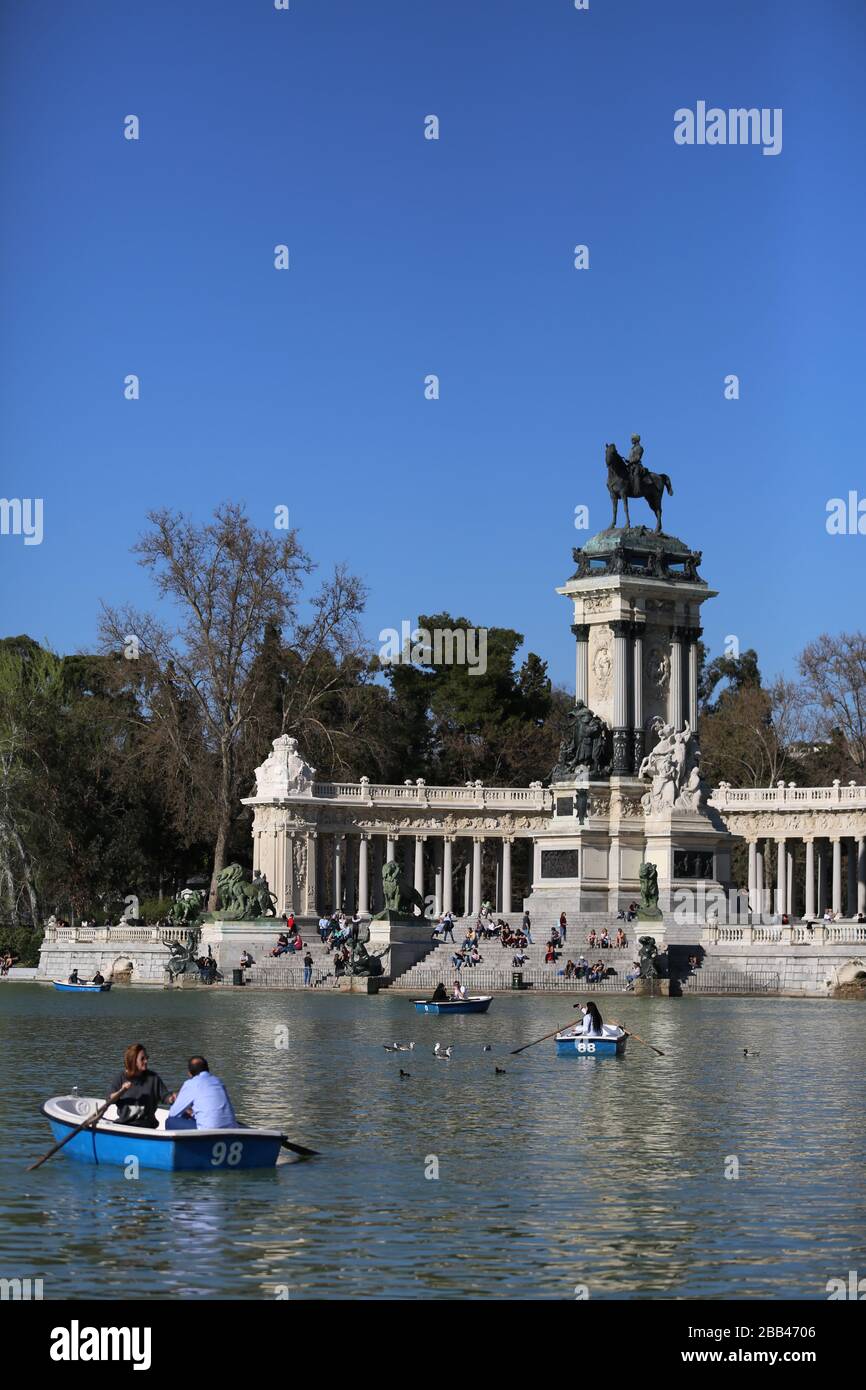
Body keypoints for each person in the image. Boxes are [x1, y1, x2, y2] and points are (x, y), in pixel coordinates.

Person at [107, 1042, 175, 1129]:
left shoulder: (153, 1078)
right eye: (142, 1059)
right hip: (125, 1126)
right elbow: (110, 1100)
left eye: (146, 1058)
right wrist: (122, 1091)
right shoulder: (121, 1077)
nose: (146, 1061)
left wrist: (171, 1098)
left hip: (147, 1127)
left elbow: (165, 1096)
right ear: (133, 1060)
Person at [165, 1057, 237, 1131]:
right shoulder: (218, 1081)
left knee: (170, 1121)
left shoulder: (191, 1083)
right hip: (231, 1128)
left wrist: (176, 1100)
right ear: (208, 1069)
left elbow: (173, 1113)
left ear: (189, 1073)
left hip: (208, 1131)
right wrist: (191, 1112)